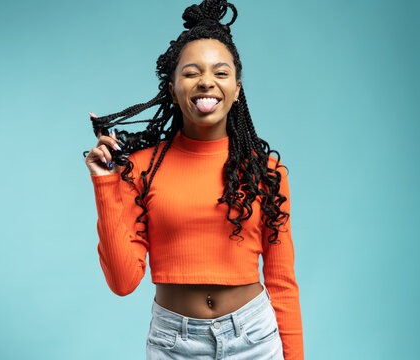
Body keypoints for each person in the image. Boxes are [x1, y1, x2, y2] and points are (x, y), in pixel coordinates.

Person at [83, 0, 303, 359]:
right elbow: (123, 283)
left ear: (236, 88)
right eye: (191, 73)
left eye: (220, 73)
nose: (206, 82)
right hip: (174, 344)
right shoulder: (141, 168)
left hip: (256, 340)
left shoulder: (265, 171)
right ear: (172, 88)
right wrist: (105, 184)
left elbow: (282, 283)